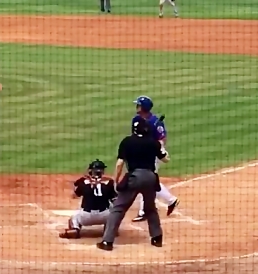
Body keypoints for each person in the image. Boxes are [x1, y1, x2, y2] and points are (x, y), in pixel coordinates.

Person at [97, 119, 169, 251]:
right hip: (151, 178)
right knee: (150, 208)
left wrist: (115, 180)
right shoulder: (153, 142)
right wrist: (162, 148)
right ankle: (157, 238)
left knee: (118, 208)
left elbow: (120, 164)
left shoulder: (127, 142)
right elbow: (165, 159)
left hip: (134, 177)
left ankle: (107, 241)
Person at [130, 96, 179, 221]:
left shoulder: (155, 122)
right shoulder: (136, 119)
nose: (137, 107)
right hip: (142, 152)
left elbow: (162, 138)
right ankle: (170, 200)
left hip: (153, 153)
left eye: (139, 105)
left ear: (144, 107)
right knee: (149, 180)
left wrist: (155, 148)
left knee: (145, 178)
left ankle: (143, 211)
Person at [59, 160, 118, 239]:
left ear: (90, 171)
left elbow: (74, 195)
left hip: (86, 217)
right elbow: (115, 199)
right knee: (114, 210)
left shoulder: (83, 181)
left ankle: (75, 229)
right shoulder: (109, 182)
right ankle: (110, 229)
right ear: (102, 171)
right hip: (105, 216)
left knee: (74, 217)